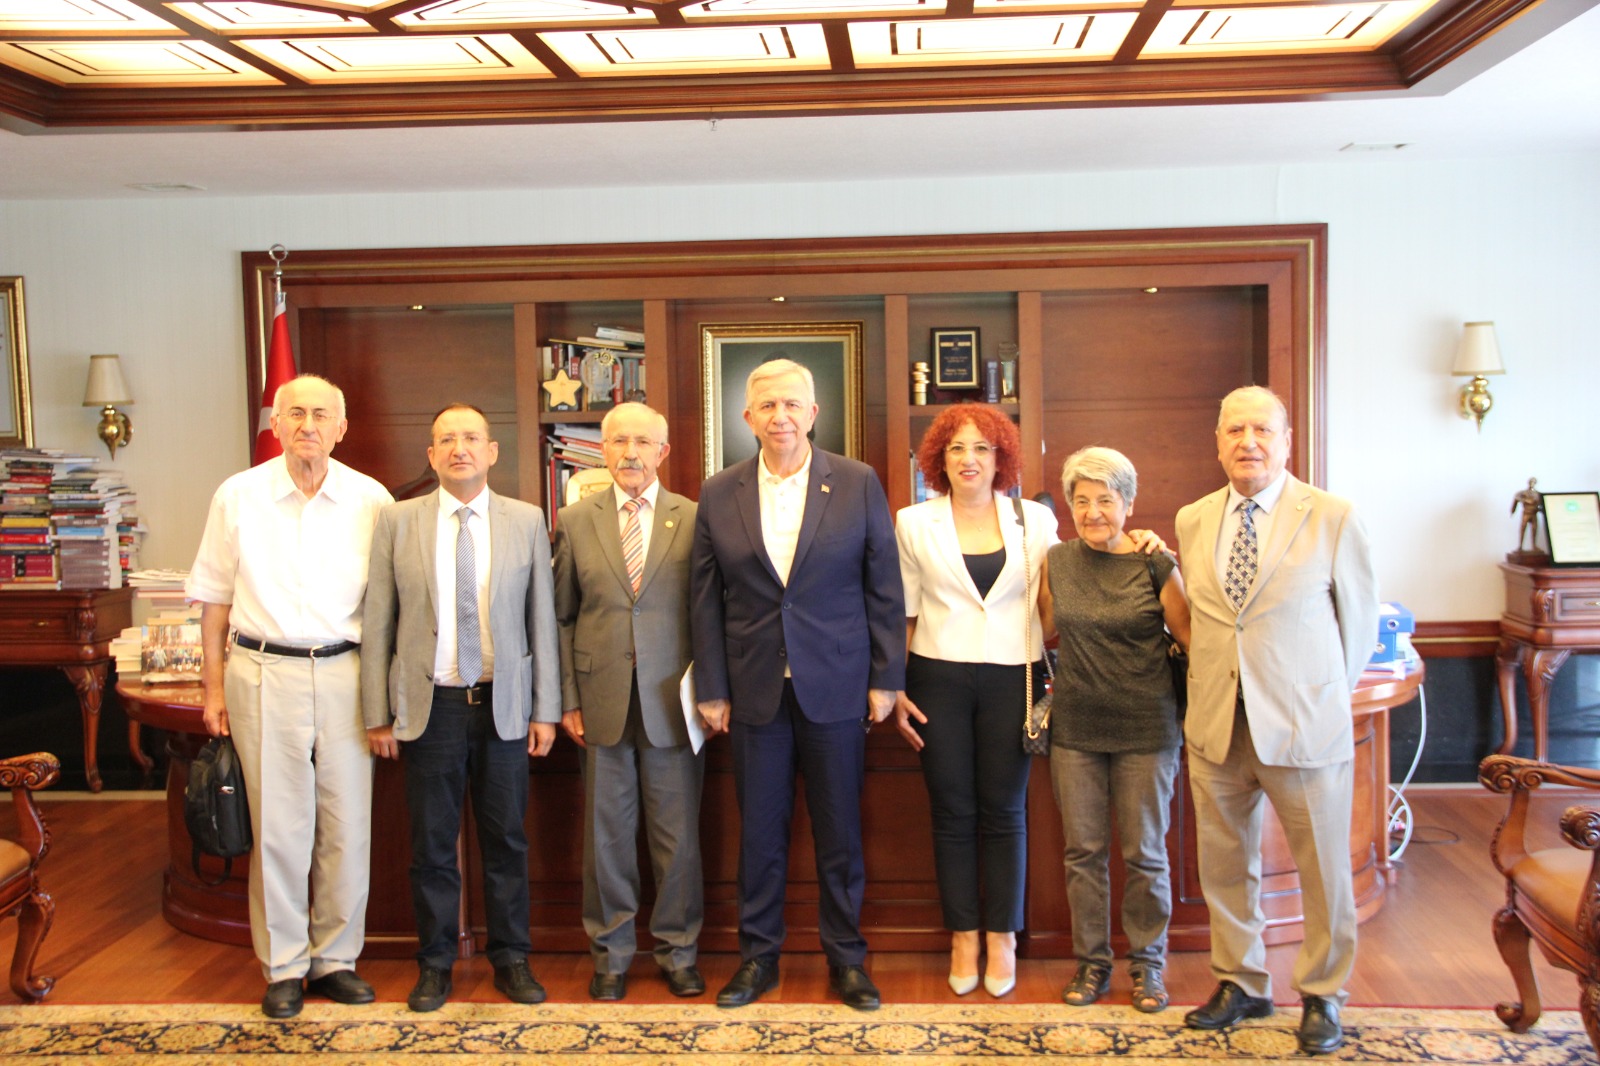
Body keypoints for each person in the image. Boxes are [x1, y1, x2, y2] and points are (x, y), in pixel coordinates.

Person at [690, 358, 905, 1012]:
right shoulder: (718, 491)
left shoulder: (857, 481)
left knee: (840, 832)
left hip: (837, 685)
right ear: (748, 417)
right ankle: (758, 959)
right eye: (767, 405)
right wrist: (711, 687)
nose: (779, 416)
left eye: (791, 404)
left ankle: (847, 960)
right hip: (753, 688)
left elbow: (884, 585)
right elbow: (705, 598)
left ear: (813, 413)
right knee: (759, 834)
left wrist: (886, 677)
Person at [1175, 386, 1378, 1055]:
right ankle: (1241, 981)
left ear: (1287, 440)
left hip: (1301, 726)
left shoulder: (1333, 517)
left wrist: (1319, 697)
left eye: (1262, 429)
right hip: (1217, 725)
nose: (1248, 442)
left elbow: (1358, 629)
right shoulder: (1193, 520)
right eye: (1235, 430)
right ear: (1217, 441)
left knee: (1324, 871)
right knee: (1225, 868)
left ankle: (1322, 992)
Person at [186, 373, 393, 1019]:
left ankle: (336, 960)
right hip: (261, 671)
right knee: (278, 826)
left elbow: (389, 606)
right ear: (274, 425)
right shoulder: (238, 496)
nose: (308, 425)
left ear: (341, 428)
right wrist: (212, 688)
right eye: (295, 413)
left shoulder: (371, 500)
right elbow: (214, 601)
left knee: (345, 824)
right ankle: (283, 966)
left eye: (321, 414)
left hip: (346, 673)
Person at [361, 402, 561, 1012]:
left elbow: (542, 619)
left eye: (471, 437)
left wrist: (545, 709)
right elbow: (379, 621)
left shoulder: (526, 520)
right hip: (432, 707)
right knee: (431, 844)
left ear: (491, 451)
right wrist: (377, 713)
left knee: (507, 840)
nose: (459, 449)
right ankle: (435, 963)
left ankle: (512, 958)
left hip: (504, 704)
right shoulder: (398, 521)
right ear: (431, 455)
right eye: (446, 440)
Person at [890, 404, 1057, 998]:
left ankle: (1003, 935)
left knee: (1005, 811)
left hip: (1015, 675)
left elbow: (1056, 602)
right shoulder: (913, 522)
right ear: (938, 458)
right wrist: (896, 687)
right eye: (957, 448)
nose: (969, 459)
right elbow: (905, 613)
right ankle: (964, 935)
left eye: (982, 448)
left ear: (1000, 457)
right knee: (952, 811)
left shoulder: (1035, 520)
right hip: (937, 676)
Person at [553, 402, 705, 1002]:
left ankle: (678, 951)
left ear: (663, 452)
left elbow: (708, 614)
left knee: (677, 839)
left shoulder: (693, 518)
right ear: (603, 449)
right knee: (606, 838)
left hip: (672, 702)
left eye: (643, 442)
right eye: (618, 441)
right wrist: (568, 698)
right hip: (601, 700)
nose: (631, 453)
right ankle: (611, 956)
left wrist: (711, 694)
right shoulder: (574, 520)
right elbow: (563, 617)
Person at [1046, 446, 1190, 1014]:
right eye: (1081, 501)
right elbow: (1044, 626)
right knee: (1083, 853)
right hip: (1076, 729)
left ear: (1128, 503)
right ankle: (1092, 962)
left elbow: (1191, 638)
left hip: (1146, 729)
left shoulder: (1156, 563)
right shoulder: (1058, 560)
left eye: (1105, 500)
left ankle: (1149, 965)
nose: (1092, 512)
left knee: (1145, 854)